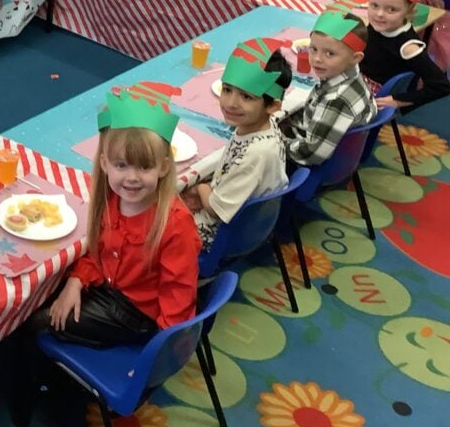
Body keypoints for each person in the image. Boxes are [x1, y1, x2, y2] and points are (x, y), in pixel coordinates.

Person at [37, 81, 200, 348]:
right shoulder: (111, 199)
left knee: (39, 322)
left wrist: (159, 355)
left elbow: (178, 295)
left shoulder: (175, 224)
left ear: (163, 167)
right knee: (42, 293)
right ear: (104, 163)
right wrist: (77, 280)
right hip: (108, 289)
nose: (132, 178)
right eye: (121, 165)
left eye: (144, 166)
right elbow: (98, 251)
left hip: (135, 314)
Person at [179, 39, 291, 248]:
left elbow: (215, 209)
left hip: (215, 234)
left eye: (246, 97)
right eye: (227, 89)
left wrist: (200, 190)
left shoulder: (255, 154)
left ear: (273, 106)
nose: (231, 103)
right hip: (239, 217)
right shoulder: (264, 127)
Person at [278, 10, 377, 167]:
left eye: (329, 54)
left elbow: (310, 155)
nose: (317, 59)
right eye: (313, 49)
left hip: (307, 162)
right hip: (317, 134)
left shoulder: (336, 99)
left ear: (355, 58)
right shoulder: (352, 76)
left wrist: (275, 142)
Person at [361, 0, 450, 111]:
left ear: (408, 10)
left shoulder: (408, 47)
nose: (379, 14)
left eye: (391, 9)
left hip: (371, 97)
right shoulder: (380, 25)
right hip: (356, 79)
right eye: (374, 5)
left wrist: (397, 101)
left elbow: (441, 86)